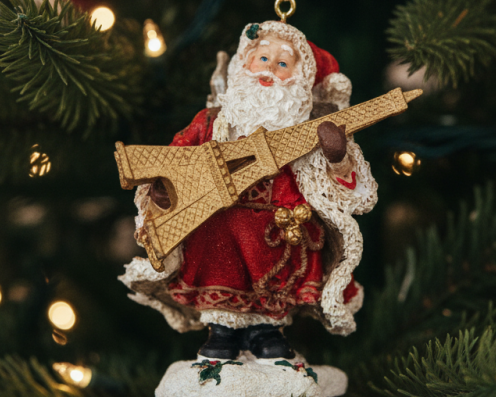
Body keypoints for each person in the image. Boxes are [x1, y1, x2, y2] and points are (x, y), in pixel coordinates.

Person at [120, 20, 378, 360]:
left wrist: (337, 157)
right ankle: (221, 334)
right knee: (217, 263)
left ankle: (266, 333)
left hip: (281, 228)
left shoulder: (305, 132)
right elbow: (174, 160)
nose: (269, 69)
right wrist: (164, 190)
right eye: (262, 58)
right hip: (216, 227)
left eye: (283, 63)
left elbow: (349, 191)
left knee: (275, 280)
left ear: (300, 80)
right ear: (244, 64)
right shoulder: (211, 123)